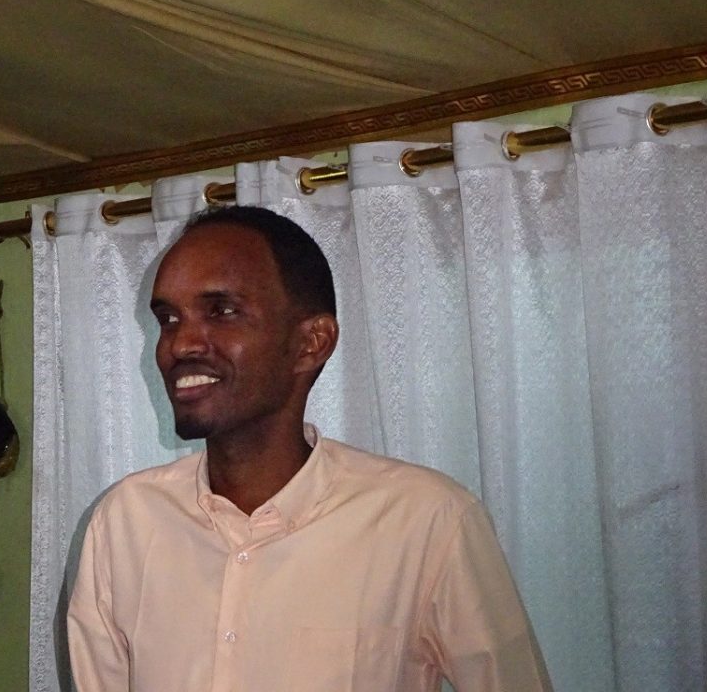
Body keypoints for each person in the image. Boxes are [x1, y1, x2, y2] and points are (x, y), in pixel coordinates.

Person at [67, 205, 552, 691]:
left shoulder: (427, 521)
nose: (180, 344)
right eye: (168, 319)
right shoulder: (125, 523)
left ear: (311, 343)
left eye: (221, 311)